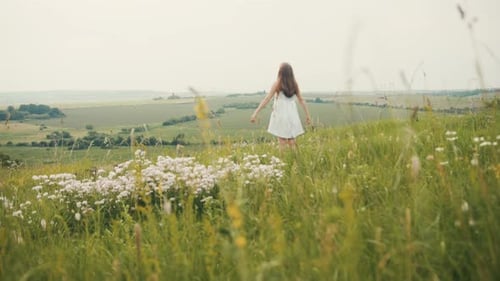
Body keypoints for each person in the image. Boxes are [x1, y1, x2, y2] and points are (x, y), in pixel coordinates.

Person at [250, 62, 311, 149]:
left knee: (282, 140)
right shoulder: (294, 84)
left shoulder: (277, 84)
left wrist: (255, 113)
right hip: (292, 114)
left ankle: (283, 160)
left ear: (280, 72)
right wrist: (307, 115)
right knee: (292, 139)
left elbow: (267, 99)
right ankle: (294, 160)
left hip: (281, 113)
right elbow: (301, 100)